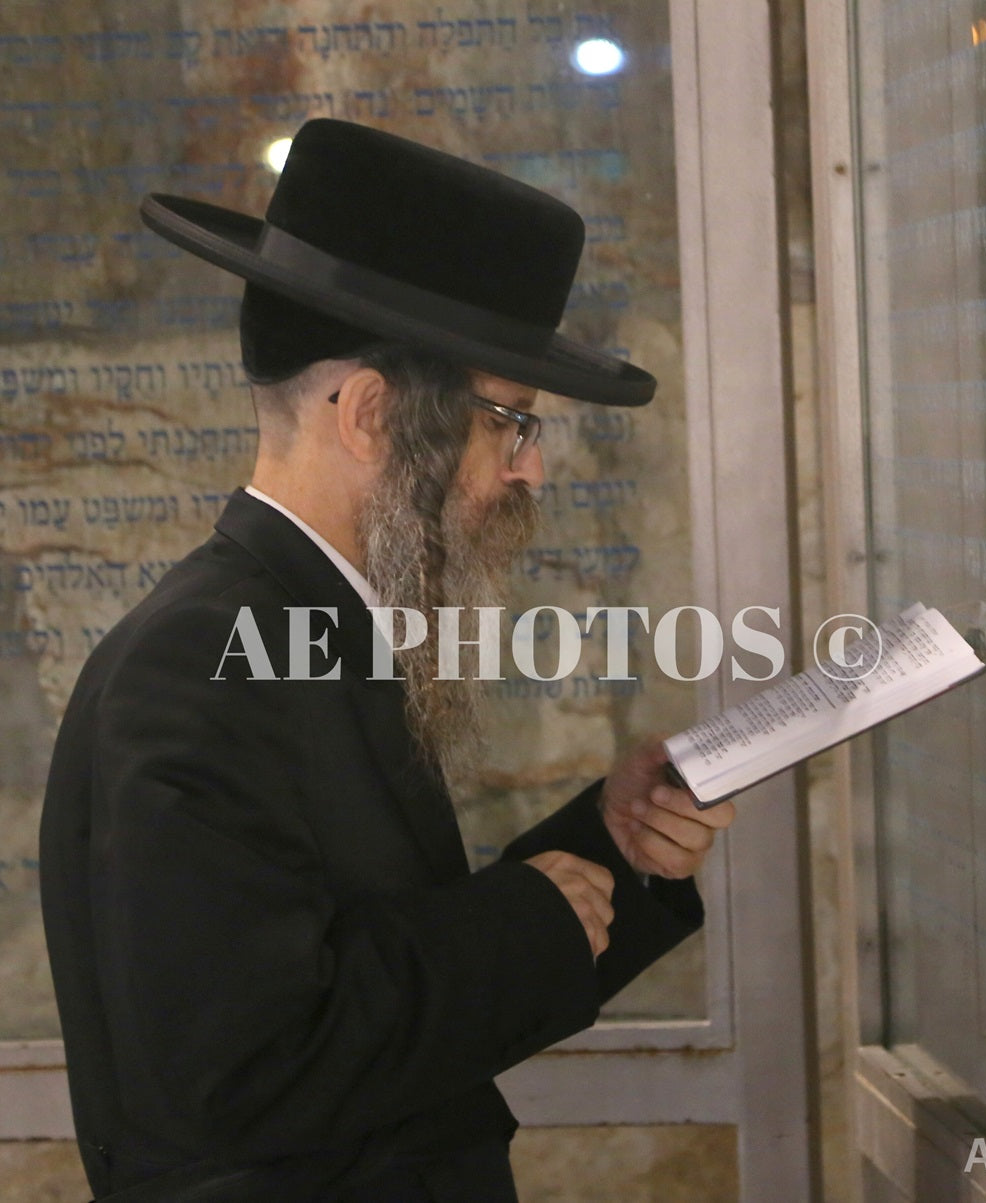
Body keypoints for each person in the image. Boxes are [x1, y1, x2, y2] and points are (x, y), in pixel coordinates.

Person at [38, 119, 734, 1202]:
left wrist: (613, 847)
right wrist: (531, 921)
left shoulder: (305, 624)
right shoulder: (202, 662)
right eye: (511, 424)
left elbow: (367, 957)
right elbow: (235, 1065)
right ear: (371, 414)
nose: (532, 469)